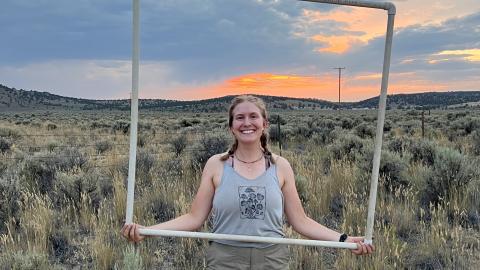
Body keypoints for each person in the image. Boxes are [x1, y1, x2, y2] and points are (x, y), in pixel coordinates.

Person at [121, 95, 374, 269]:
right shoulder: (216, 165)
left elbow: (301, 221)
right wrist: (147, 230)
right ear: (231, 126)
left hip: (272, 259)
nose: (247, 123)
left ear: (264, 124)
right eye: (239, 118)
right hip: (225, 258)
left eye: (253, 117)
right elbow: (193, 218)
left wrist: (343, 240)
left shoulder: (280, 166)